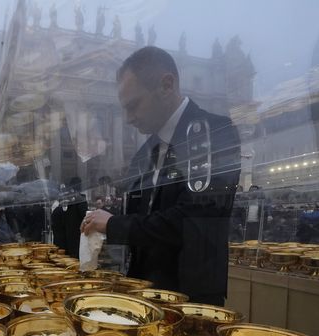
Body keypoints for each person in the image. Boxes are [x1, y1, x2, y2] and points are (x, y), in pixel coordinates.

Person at [82, 46, 240, 305]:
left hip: (189, 299)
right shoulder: (144, 153)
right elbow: (145, 220)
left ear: (166, 85)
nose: (128, 118)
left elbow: (193, 220)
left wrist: (113, 224)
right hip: (143, 294)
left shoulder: (214, 132)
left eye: (133, 106)